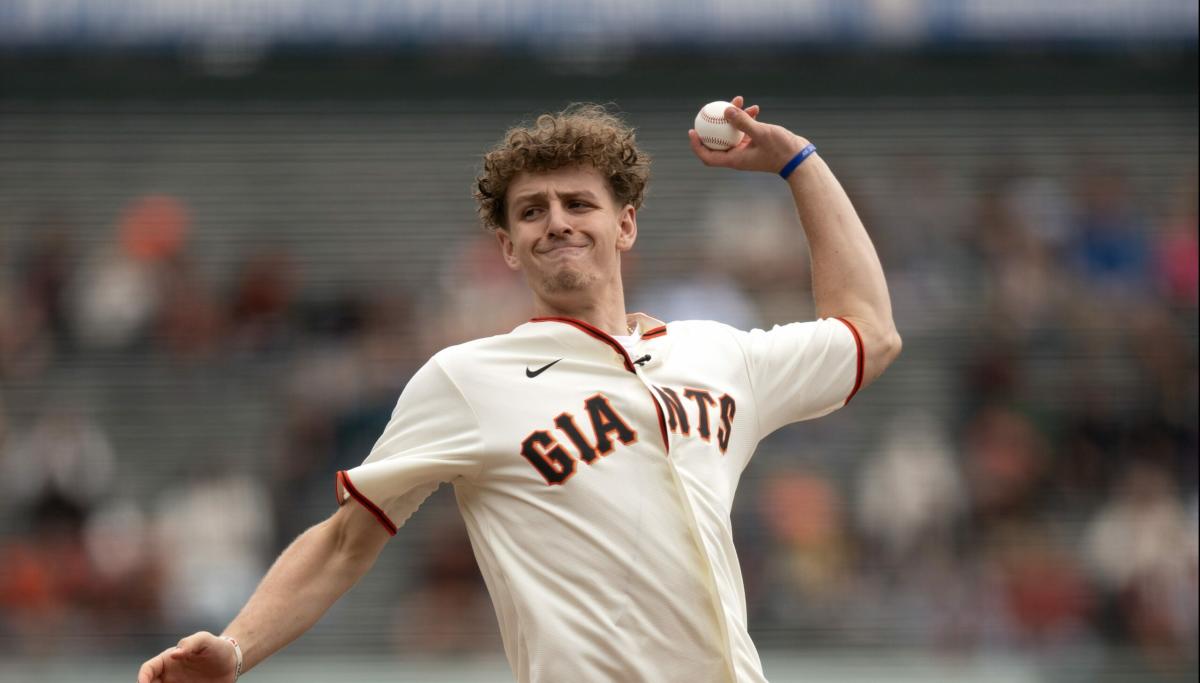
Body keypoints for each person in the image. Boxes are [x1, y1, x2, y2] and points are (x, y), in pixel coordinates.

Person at [136, 96, 901, 683]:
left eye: (579, 203)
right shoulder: (466, 379)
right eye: (531, 211)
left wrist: (800, 161)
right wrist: (236, 646)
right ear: (506, 244)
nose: (556, 222)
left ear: (626, 224)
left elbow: (870, 331)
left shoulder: (716, 353)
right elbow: (343, 540)